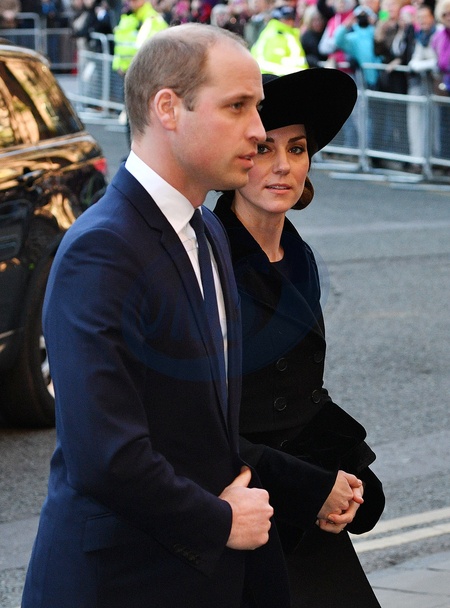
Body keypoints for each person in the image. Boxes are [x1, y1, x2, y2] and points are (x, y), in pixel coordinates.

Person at [21, 24, 292, 608]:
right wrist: (220, 523)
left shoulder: (209, 229)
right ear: (168, 108)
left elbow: (205, 427)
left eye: (257, 107)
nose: (258, 130)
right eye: (237, 106)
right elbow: (105, 455)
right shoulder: (102, 249)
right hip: (118, 584)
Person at [213, 67, 385, 607]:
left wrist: (353, 476)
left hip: (301, 500)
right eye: (265, 148)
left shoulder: (298, 254)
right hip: (241, 506)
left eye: (298, 148)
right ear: (237, 158)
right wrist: (312, 488)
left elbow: (303, 393)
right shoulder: (208, 260)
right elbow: (197, 421)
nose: (284, 165)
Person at [251, 5, 309, 74]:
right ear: (278, 19)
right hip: (278, 77)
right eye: (286, 19)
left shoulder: (290, 34)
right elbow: (271, 63)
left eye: (291, 19)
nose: (290, 22)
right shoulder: (275, 35)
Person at [431, 0, 450, 158]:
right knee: (444, 124)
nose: (448, 17)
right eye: (445, 14)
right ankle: (444, 160)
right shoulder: (439, 35)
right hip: (444, 84)